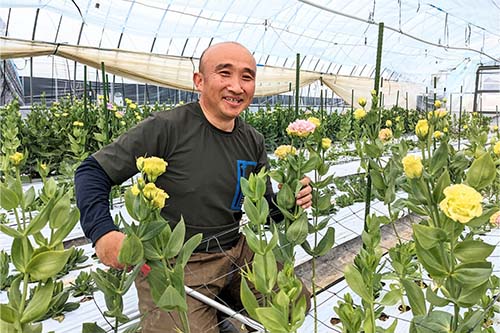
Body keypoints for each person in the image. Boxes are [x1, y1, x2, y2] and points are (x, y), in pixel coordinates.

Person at [75, 41, 312, 333]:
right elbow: (91, 172)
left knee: (294, 301)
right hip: (173, 263)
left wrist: (290, 201)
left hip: (235, 251)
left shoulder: (253, 140)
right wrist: (102, 232)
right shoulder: (168, 127)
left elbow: (264, 208)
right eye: (224, 73)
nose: (237, 86)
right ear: (199, 81)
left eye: (247, 77)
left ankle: (218, 311)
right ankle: (213, 315)